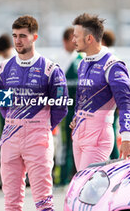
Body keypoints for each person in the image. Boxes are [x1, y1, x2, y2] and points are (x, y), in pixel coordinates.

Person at [0, 15, 68, 211]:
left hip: (39, 137)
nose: (18, 40)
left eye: (23, 36)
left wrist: (41, 125)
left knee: (43, 200)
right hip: (11, 136)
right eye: (15, 36)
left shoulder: (50, 69)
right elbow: (3, 106)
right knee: (11, 202)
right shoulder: (3, 69)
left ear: (34, 37)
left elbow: (60, 107)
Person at [69, 13, 130, 171]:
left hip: (98, 137)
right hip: (79, 134)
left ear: (89, 39)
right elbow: (83, 96)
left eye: (76, 36)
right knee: (83, 189)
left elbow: (126, 103)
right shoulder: (83, 64)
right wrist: (76, 116)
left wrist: (127, 139)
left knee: (85, 187)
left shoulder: (113, 65)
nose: (73, 40)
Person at [58, 27, 82, 186]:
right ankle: (62, 178)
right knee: (64, 144)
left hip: (81, 110)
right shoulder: (58, 60)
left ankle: (78, 177)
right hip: (65, 110)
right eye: (71, 39)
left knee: (81, 144)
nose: (74, 43)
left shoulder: (82, 59)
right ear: (65, 41)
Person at [101, 30, 120, 160]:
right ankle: (115, 160)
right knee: (111, 133)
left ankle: (115, 161)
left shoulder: (108, 58)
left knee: (110, 133)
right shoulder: (114, 56)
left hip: (109, 104)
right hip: (113, 103)